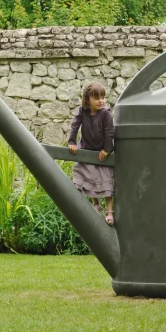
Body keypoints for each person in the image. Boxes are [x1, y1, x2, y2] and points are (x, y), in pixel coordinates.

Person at [68, 82, 115, 226]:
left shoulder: (105, 114)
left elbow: (109, 132)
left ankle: (109, 211)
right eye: (97, 98)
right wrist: (72, 142)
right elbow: (75, 125)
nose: (101, 101)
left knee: (105, 179)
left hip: (102, 150)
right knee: (86, 174)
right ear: (87, 99)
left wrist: (107, 150)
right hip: (87, 147)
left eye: (103, 97)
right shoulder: (82, 111)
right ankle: (95, 203)